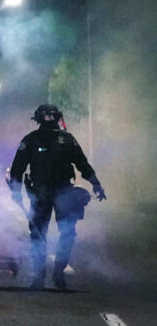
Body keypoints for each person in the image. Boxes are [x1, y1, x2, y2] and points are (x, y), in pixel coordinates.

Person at [9, 104, 106, 290]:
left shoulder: (67, 139)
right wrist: (15, 190)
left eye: (52, 116)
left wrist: (96, 184)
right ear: (39, 118)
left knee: (67, 233)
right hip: (40, 194)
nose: (50, 119)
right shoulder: (30, 140)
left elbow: (82, 163)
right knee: (38, 235)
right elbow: (17, 168)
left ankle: (58, 272)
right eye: (47, 116)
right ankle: (39, 275)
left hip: (64, 192)